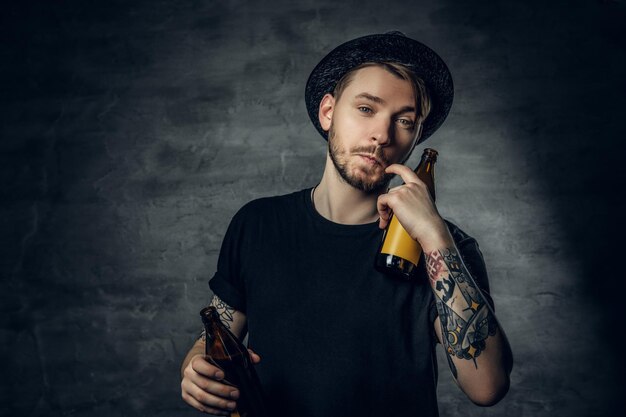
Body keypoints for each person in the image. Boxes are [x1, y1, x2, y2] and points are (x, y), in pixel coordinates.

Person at [180, 31, 513, 417]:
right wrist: (193, 366)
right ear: (328, 112)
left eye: (404, 121)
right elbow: (215, 334)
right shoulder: (257, 224)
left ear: (415, 137)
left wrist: (434, 235)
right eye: (367, 109)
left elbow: (488, 387)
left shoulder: (444, 247)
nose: (381, 135)